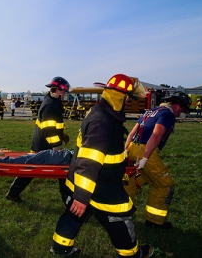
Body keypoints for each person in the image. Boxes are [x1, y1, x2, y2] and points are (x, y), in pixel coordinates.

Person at [50, 74, 153, 257]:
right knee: (119, 218)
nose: (129, 102)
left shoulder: (102, 112)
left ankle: (60, 246)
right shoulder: (103, 121)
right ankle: (132, 254)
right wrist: (82, 197)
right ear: (120, 97)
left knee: (74, 214)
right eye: (128, 98)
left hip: (87, 183)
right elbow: (89, 162)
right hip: (101, 185)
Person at [124, 91, 191, 230]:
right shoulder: (168, 114)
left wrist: (126, 150)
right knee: (165, 184)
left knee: (133, 181)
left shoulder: (151, 111)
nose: (182, 113)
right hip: (145, 151)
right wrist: (145, 158)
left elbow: (132, 132)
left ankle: (119, 213)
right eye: (184, 109)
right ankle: (154, 220)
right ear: (178, 105)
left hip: (133, 148)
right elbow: (155, 136)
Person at [6, 77, 71, 204]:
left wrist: (61, 134)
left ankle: (12, 194)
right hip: (46, 147)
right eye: (63, 92)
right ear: (57, 91)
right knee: (64, 170)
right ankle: (68, 202)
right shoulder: (51, 105)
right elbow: (49, 131)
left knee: (29, 170)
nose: (64, 95)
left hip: (40, 144)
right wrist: (58, 148)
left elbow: (51, 126)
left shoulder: (51, 102)